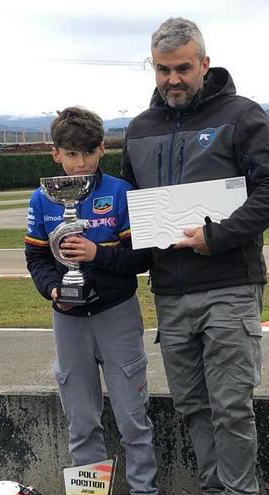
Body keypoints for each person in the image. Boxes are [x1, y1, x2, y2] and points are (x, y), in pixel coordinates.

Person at [120, 17, 269, 495]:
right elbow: (131, 210)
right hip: (171, 294)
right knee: (193, 407)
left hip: (229, 286)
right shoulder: (139, 129)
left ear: (204, 64)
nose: (172, 79)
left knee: (231, 407)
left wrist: (215, 235)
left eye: (182, 68)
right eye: (162, 70)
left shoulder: (241, 115)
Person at [24, 107, 158, 494]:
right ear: (55, 154)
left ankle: (143, 491)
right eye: (70, 154)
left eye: (87, 153)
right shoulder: (42, 198)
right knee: (81, 423)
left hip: (116, 313)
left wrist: (96, 254)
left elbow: (142, 257)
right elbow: (36, 257)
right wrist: (52, 289)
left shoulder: (121, 192)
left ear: (102, 150)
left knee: (133, 419)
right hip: (67, 319)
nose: (79, 163)